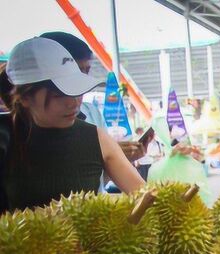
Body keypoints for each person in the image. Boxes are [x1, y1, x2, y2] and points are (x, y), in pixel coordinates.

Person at [0, 37, 144, 212]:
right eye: (59, 95)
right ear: (24, 98)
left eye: (77, 90)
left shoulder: (96, 138)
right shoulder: (5, 136)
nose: (74, 102)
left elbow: (146, 197)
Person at [39, 32, 144, 161]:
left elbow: (96, 179)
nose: (72, 103)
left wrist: (113, 161)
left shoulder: (91, 114)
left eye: (86, 71)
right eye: (75, 72)